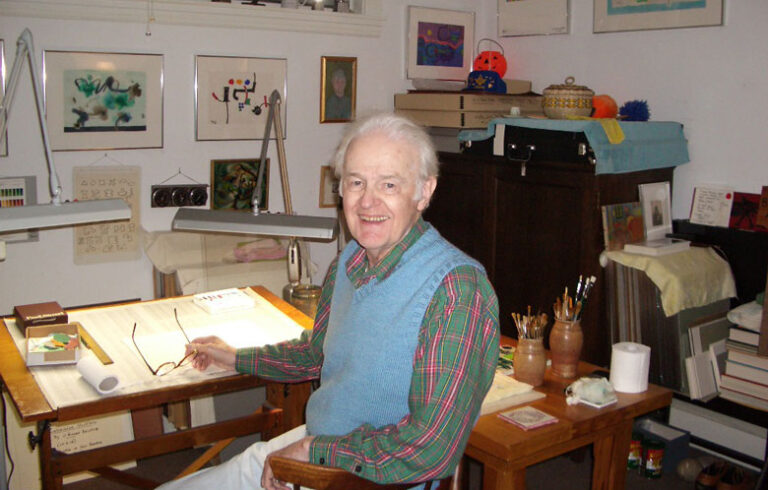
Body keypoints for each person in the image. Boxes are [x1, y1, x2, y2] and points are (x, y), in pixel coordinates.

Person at [159, 112, 500, 490]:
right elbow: (316, 353)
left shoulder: (456, 290)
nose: (368, 202)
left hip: (365, 479)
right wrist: (235, 356)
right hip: (320, 447)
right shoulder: (348, 264)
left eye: (388, 184)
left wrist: (313, 452)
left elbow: (430, 448)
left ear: (424, 192)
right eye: (356, 183)